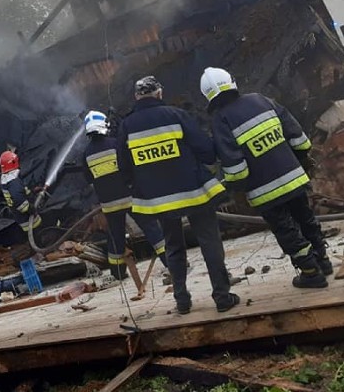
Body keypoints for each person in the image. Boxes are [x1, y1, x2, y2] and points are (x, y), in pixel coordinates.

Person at [117, 76, 239, 314]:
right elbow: (204, 149)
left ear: (136, 97)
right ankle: (222, 297)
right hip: (194, 192)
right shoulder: (176, 115)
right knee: (209, 241)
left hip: (159, 200)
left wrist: (140, 184)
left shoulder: (126, 126)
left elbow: (123, 166)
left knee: (173, 247)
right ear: (159, 94)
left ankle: (182, 300)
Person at [201, 67, 331, 288]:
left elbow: (236, 169)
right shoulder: (260, 100)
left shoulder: (221, 120)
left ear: (208, 96)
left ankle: (311, 272)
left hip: (265, 191)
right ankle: (323, 262)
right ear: (232, 83)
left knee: (287, 231)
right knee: (306, 219)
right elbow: (299, 139)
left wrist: (231, 189)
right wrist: (297, 163)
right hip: (295, 178)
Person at [82, 110, 167, 280]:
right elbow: (130, 167)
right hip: (130, 198)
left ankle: (118, 273)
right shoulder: (115, 144)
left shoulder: (86, 154)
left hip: (109, 204)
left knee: (115, 238)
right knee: (151, 228)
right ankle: (171, 262)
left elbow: (88, 178)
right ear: (104, 125)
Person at [0, 150, 41, 236]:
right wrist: (30, 209)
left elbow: (19, 192)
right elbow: (18, 199)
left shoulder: (6, 179)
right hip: (26, 216)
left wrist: (32, 191)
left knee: (32, 234)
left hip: (20, 217)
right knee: (37, 233)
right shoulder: (13, 181)